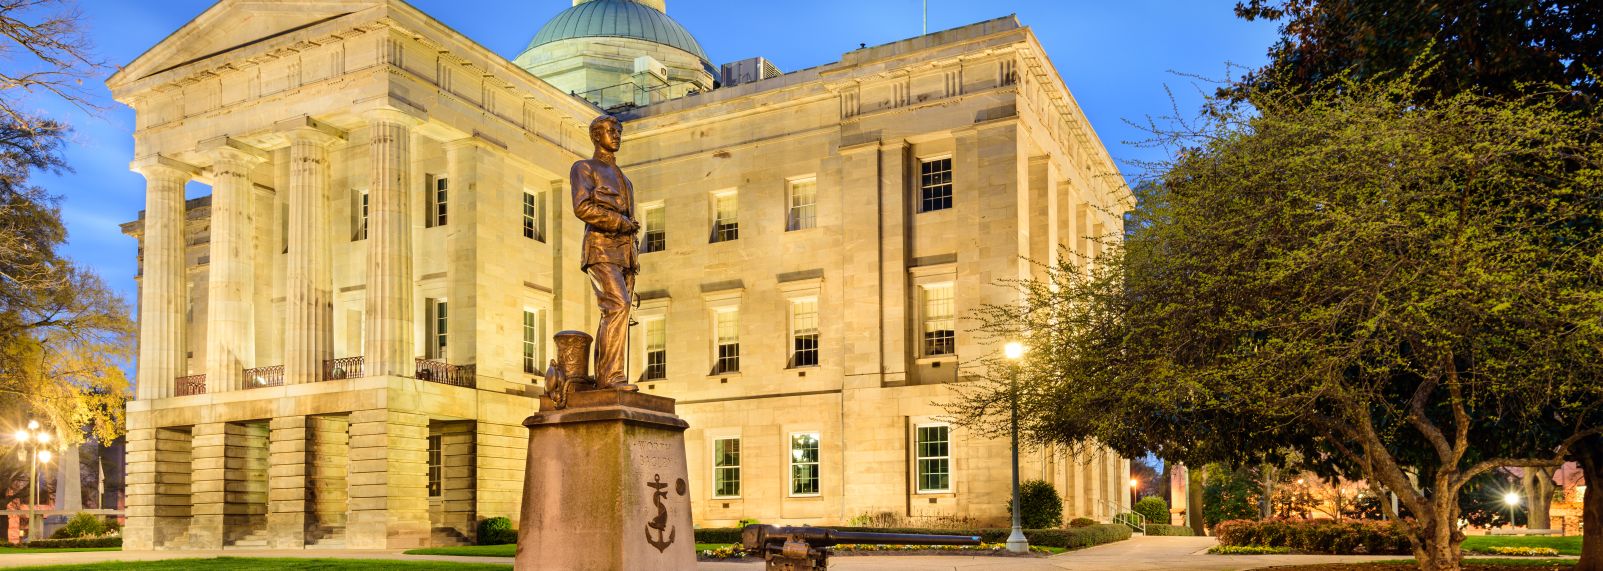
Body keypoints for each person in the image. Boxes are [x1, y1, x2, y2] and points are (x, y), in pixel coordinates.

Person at [569, 115, 640, 391]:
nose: (617, 135)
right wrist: (620, 222)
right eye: (612, 131)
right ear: (596, 136)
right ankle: (611, 378)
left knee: (619, 311)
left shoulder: (625, 179)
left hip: (625, 254)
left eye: (619, 131)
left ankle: (609, 376)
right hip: (600, 248)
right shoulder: (584, 168)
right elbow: (582, 207)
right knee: (617, 305)